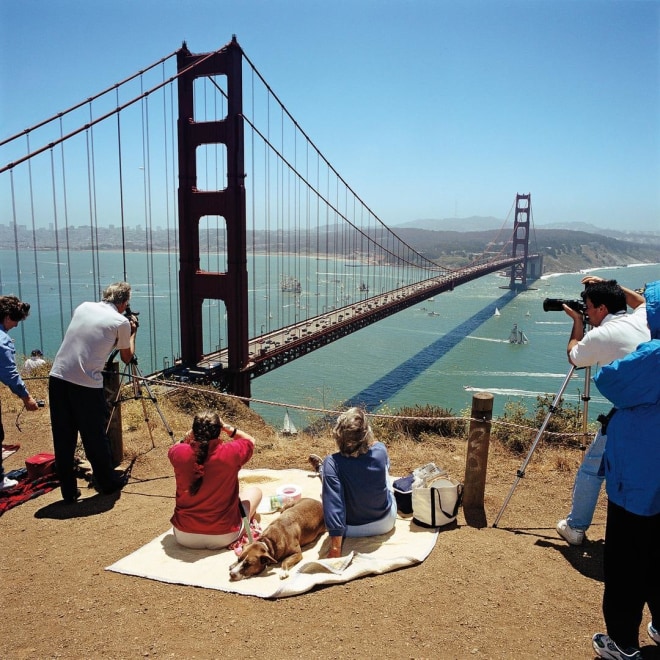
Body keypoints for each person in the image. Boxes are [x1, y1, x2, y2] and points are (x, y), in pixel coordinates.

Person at [590, 279, 660, 660]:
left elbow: (610, 378)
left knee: (627, 561)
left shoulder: (654, 356)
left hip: (640, 476)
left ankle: (621, 642)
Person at [555, 276, 649, 545]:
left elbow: (574, 356)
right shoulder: (642, 317)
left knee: (592, 468)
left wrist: (576, 323)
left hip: (630, 412)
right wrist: (611, 287)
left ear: (602, 309)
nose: (586, 312)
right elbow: (641, 302)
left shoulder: (599, 334)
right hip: (653, 405)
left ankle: (575, 528)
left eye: (588, 307)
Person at [49, 282, 138, 503]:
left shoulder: (83, 306)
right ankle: (107, 483)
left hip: (57, 377)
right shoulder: (121, 322)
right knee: (95, 436)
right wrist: (132, 331)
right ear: (125, 302)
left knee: (63, 437)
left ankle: (68, 492)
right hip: (86, 385)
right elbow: (127, 357)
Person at [309, 407, 397, 558]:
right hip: (385, 523)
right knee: (385, 476)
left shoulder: (333, 461)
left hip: (350, 529)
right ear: (366, 433)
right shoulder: (381, 450)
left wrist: (335, 548)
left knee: (330, 486)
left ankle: (322, 471)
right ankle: (324, 472)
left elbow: (333, 505)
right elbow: (375, 445)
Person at [168, 411, 262, 550]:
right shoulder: (231, 452)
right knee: (255, 492)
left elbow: (175, 447)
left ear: (194, 431)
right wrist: (227, 428)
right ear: (219, 431)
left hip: (184, 535)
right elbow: (250, 441)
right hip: (224, 535)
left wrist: (187, 437)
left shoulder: (179, 453)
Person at [0, 296, 41, 490]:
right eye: (15, 320)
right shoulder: (2, 341)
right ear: (7, 316)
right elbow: (9, 374)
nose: (16, 325)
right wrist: (27, 397)